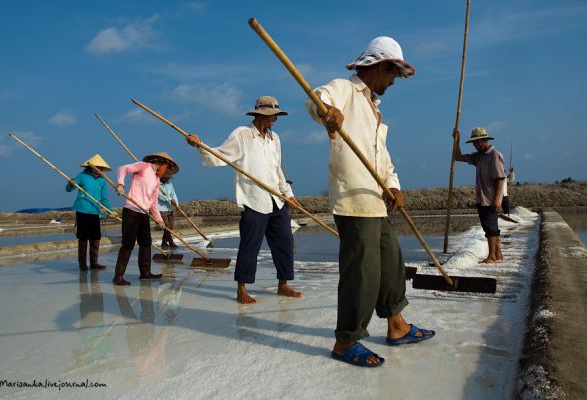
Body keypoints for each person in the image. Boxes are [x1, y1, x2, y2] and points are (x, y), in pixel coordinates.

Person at [306, 37, 434, 367]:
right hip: (352, 199)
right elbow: (318, 98)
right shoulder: (345, 90)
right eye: (393, 73)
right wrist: (327, 112)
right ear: (380, 66)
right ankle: (346, 341)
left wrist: (393, 185)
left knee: (391, 263)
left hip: (375, 200)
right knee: (361, 271)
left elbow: (382, 159)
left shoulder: (374, 109)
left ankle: (396, 325)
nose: (393, 81)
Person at [185, 96, 303, 304]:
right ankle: (242, 289)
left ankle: (283, 285)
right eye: (272, 116)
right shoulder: (242, 135)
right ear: (260, 115)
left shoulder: (275, 139)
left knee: (285, 243)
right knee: (250, 247)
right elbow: (220, 155)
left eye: (276, 116)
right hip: (253, 201)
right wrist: (200, 146)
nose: (275, 120)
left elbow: (277, 170)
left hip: (276, 200)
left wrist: (289, 193)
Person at [112, 152, 179, 286]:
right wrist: (120, 184)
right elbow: (122, 168)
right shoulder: (144, 166)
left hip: (144, 213)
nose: (166, 172)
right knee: (128, 243)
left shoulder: (157, 180)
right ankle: (118, 276)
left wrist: (159, 219)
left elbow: (153, 203)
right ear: (162, 163)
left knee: (146, 243)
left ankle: (145, 273)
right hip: (131, 209)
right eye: (167, 168)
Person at [453, 127, 506, 263]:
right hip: (481, 198)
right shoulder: (478, 156)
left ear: (485, 140)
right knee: (487, 226)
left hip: (491, 199)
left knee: (491, 228)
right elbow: (458, 157)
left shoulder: (494, 155)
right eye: (474, 143)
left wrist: (497, 200)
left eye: (479, 142)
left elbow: (500, 179)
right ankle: (498, 254)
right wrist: (456, 141)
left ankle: (492, 257)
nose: (476, 145)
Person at [66, 154, 116, 271]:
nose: (101, 170)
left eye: (102, 168)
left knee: (95, 238)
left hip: (95, 211)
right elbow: (69, 189)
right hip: (82, 210)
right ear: (92, 167)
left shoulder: (102, 180)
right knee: (83, 238)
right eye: (98, 168)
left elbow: (104, 198)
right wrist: (71, 183)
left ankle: (94, 263)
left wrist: (111, 211)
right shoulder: (83, 176)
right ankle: (82, 264)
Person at [158, 176, 179, 249]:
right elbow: (159, 196)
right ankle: (171, 242)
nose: (168, 179)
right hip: (161, 209)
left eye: (169, 178)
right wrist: (169, 199)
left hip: (170, 208)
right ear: (162, 177)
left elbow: (173, 195)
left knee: (170, 227)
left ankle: (164, 242)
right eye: (167, 177)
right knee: (166, 227)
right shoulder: (156, 184)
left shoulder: (170, 184)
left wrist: (177, 204)